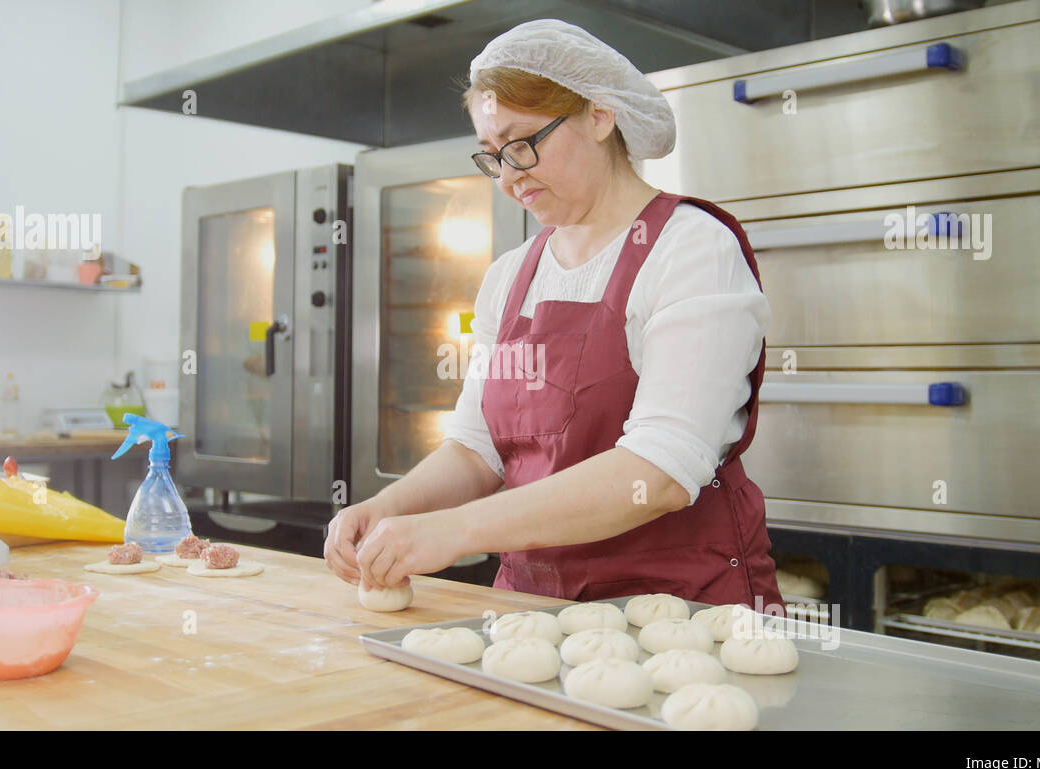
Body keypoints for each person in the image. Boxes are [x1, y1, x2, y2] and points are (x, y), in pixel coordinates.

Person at [324, 18, 783, 613]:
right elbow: (475, 449)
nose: (509, 178)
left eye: (522, 145)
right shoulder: (510, 276)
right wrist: (390, 508)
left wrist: (456, 531)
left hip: (680, 611)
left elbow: (661, 472)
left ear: (598, 115)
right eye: (492, 158)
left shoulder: (689, 249)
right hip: (535, 611)